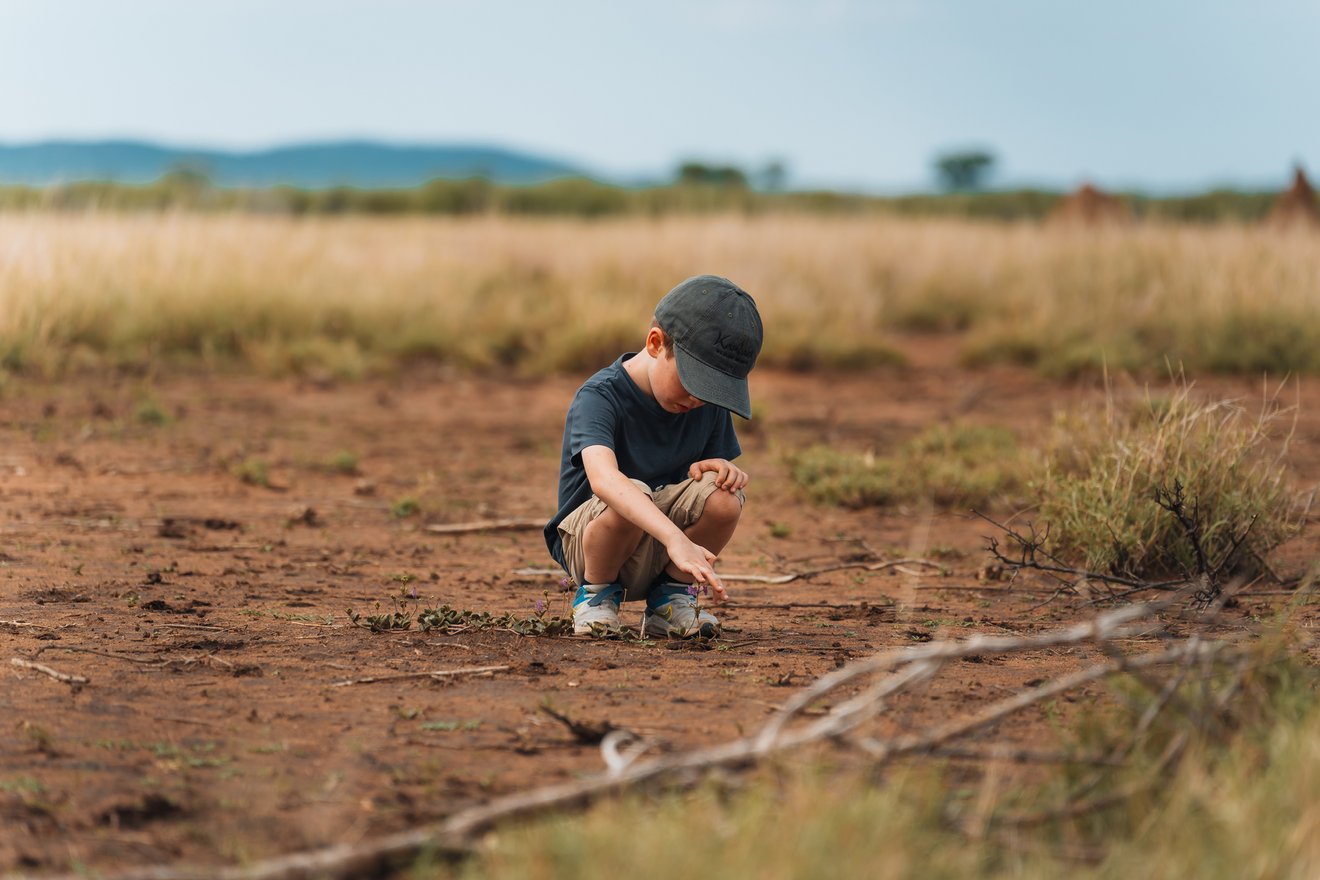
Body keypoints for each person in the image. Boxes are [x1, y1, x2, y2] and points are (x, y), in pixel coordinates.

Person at [544, 275, 763, 638]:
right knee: (628, 494)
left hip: (667, 552)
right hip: (592, 547)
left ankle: (670, 601)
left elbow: (702, 481)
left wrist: (719, 470)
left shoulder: (704, 404)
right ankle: (596, 599)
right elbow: (604, 480)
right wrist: (675, 539)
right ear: (656, 343)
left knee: (725, 498)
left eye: (713, 389)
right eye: (694, 382)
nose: (697, 399)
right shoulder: (599, 396)